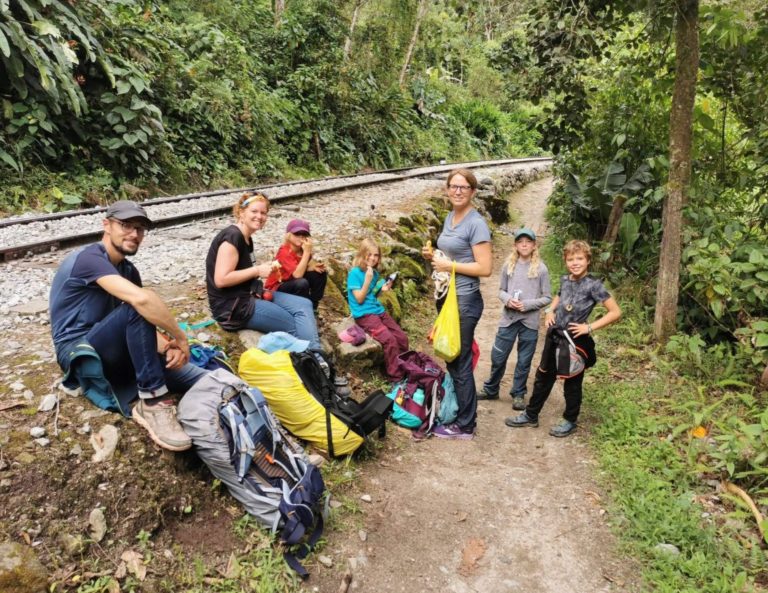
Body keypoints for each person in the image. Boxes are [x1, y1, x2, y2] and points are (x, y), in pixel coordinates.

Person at [49, 201, 207, 452]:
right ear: (106, 225)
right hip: (80, 353)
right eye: (125, 225)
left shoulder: (127, 270)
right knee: (138, 303)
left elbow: (141, 324)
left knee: (203, 378)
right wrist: (181, 337)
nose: (134, 233)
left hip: (114, 349)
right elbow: (141, 302)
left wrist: (170, 347)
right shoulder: (88, 259)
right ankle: (153, 402)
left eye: (140, 228)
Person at [505, 240, 621, 437]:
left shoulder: (594, 285)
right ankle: (531, 415)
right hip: (555, 335)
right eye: (570, 259)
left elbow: (615, 312)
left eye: (579, 259)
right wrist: (550, 311)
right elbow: (558, 297)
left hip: (574, 340)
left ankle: (570, 420)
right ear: (566, 261)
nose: (575, 263)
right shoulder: (567, 280)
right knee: (543, 377)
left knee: (572, 382)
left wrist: (589, 327)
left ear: (588, 260)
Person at [421, 169, 492, 440]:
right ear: (447, 189)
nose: (458, 191)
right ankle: (460, 413)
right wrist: (435, 254)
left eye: (464, 187)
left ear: (473, 191)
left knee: (460, 361)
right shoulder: (451, 216)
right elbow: (452, 254)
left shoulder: (476, 224)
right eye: (453, 186)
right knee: (452, 358)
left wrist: (449, 265)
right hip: (448, 299)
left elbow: (485, 267)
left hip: (465, 300)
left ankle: (465, 425)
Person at [205, 192, 323, 354]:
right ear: (241, 212)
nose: (259, 216)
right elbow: (221, 279)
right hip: (233, 308)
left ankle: (316, 354)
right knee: (293, 323)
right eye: (254, 211)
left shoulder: (247, 238)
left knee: (305, 304)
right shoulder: (233, 236)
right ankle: (317, 361)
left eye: (263, 213)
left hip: (249, 294)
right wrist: (257, 270)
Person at [478, 228, 551, 410]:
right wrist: (508, 300)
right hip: (508, 319)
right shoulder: (509, 266)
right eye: (520, 242)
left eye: (528, 241)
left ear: (534, 245)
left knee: (524, 361)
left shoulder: (541, 269)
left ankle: (518, 393)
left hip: (530, 322)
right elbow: (501, 290)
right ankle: (491, 388)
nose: (524, 244)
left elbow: (547, 297)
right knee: (498, 356)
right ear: (515, 245)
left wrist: (527, 305)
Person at [346, 238, 409, 381]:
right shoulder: (355, 273)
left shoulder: (374, 273)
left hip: (377, 310)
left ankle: (405, 366)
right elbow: (360, 299)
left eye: (376, 255)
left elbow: (371, 294)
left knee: (402, 338)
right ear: (362, 254)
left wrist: (384, 288)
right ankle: (396, 377)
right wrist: (367, 279)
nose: (373, 258)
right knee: (389, 340)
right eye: (369, 254)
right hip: (364, 315)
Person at [264, 219, 327, 311]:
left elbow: (302, 266)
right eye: (297, 234)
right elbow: (297, 275)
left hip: (290, 281)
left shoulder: (302, 250)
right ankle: (301, 308)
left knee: (320, 274)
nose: (301, 237)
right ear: (289, 235)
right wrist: (307, 252)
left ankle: (313, 306)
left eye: (304, 234)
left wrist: (312, 267)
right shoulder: (284, 251)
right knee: (301, 283)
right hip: (276, 288)